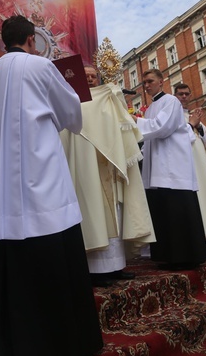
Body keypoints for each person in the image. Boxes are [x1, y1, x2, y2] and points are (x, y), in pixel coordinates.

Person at [0, 15, 103, 356]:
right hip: (39, 180)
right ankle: (60, 344)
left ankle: (1, 346)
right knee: (49, 246)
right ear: (31, 40)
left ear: (3, 42)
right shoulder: (40, 66)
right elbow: (71, 112)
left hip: (0, 188)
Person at [61, 64, 156, 287]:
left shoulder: (107, 98)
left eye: (94, 76)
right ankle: (96, 271)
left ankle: (116, 266)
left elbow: (119, 124)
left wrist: (116, 97)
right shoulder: (72, 100)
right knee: (94, 214)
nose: (92, 80)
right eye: (87, 77)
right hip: (87, 167)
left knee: (116, 215)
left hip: (110, 165)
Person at [133, 69, 206, 269]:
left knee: (176, 211)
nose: (147, 85)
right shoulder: (149, 109)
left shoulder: (171, 102)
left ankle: (183, 257)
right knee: (163, 212)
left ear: (161, 81)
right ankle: (168, 256)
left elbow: (162, 127)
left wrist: (134, 122)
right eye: (144, 83)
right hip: (157, 166)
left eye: (150, 81)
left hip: (172, 168)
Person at [174, 83, 206, 259]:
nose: (184, 97)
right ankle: (197, 246)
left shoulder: (192, 115)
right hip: (185, 165)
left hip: (200, 164)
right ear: (175, 95)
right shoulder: (172, 115)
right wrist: (191, 124)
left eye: (186, 94)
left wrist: (200, 126)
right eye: (180, 94)